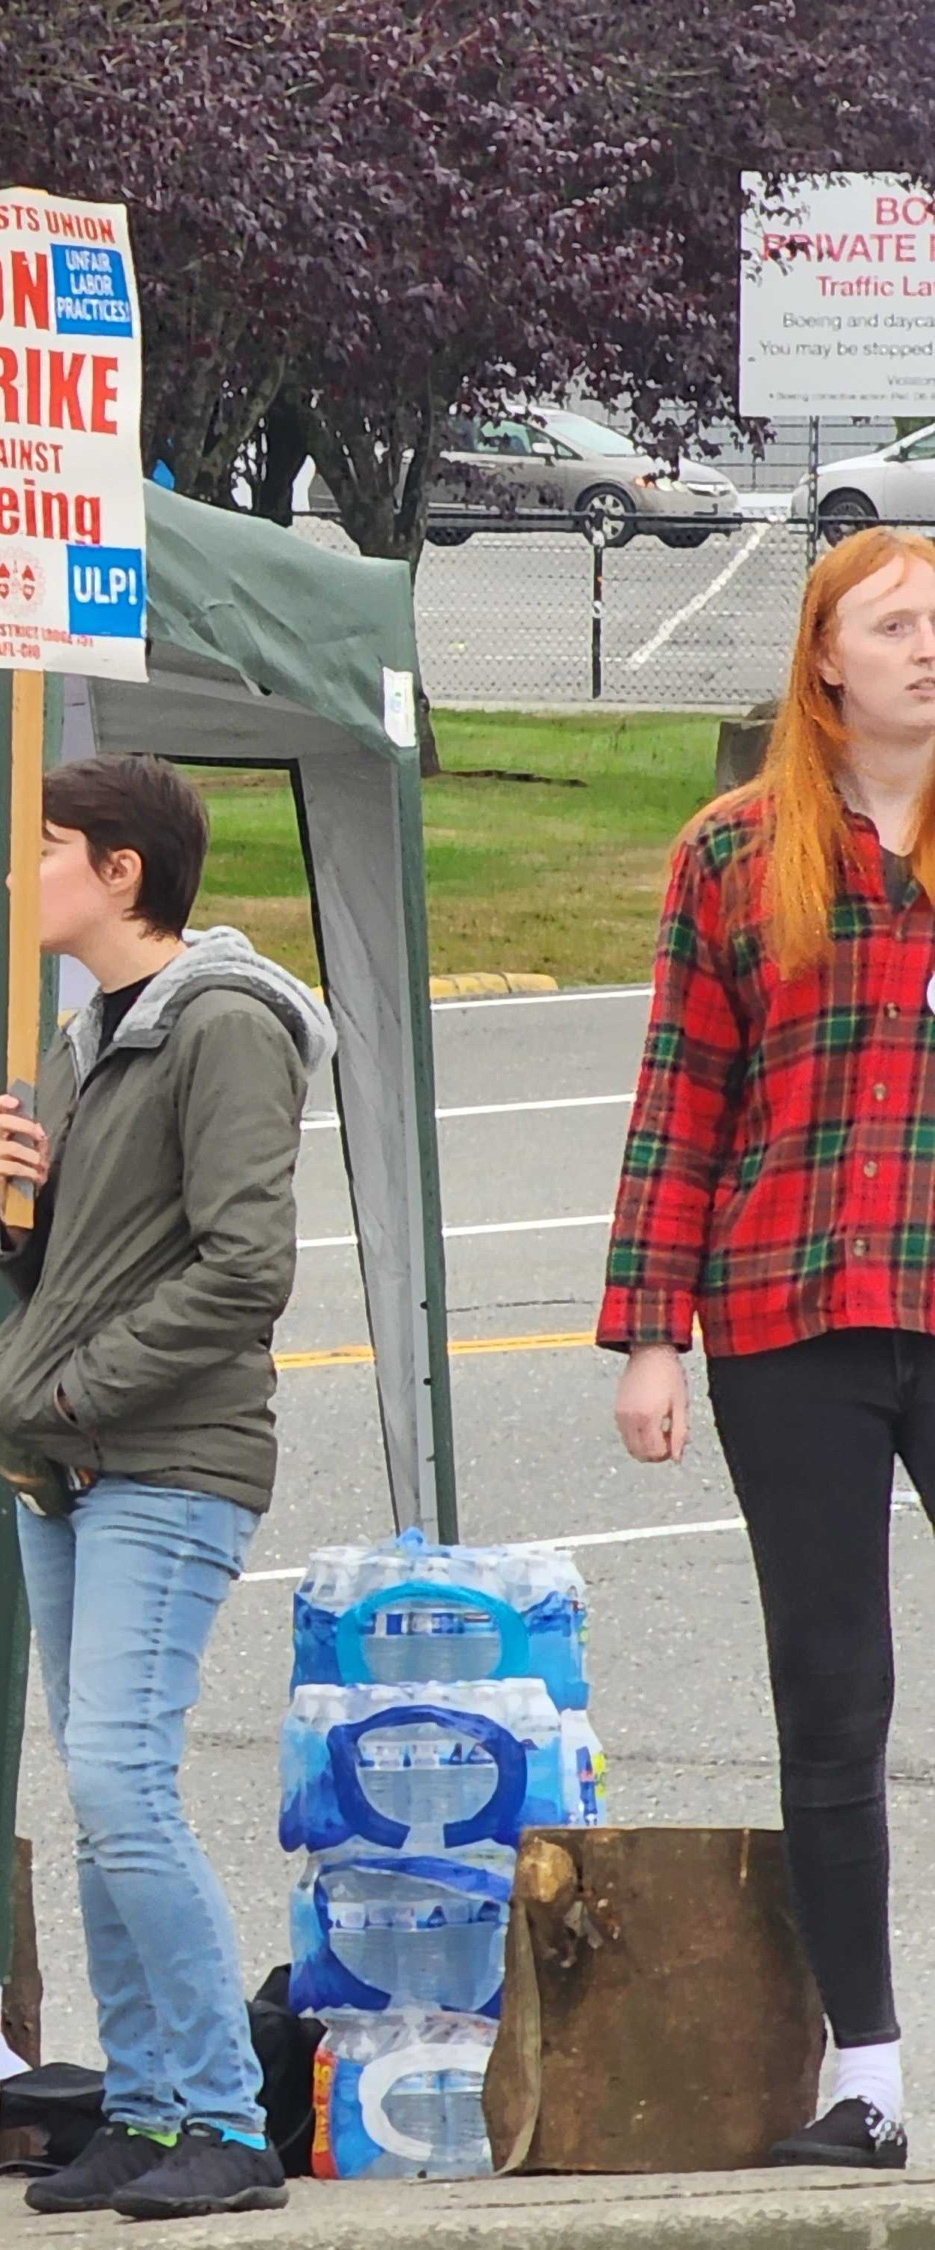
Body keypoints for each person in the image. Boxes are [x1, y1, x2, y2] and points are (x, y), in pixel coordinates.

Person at [603, 525, 935, 2172]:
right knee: (833, 1688)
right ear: (823, 659)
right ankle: (868, 2073)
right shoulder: (736, 855)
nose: (925, 650)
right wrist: (650, 1337)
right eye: (893, 626)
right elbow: (680, 1103)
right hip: (791, 1318)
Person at [0, 754, 332, 2222]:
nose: (19, 874)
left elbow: (247, 1264)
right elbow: (74, 1267)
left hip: (166, 1458)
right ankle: (147, 2101)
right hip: (66, 1463)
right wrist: (17, 1216)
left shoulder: (224, 1026)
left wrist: (73, 1387)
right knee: (97, 1784)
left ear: (121, 869)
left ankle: (230, 2122)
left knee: (123, 1779)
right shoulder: (81, 1035)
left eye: (42, 847)